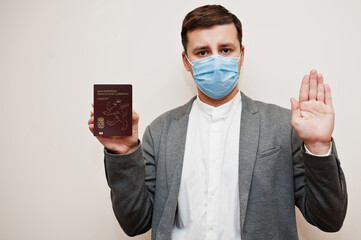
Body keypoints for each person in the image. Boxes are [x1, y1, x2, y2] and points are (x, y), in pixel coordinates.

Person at [88, 5, 347, 240]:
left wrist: (318, 147)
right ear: (186, 61)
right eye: (202, 52)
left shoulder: (282, 125)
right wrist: (123, 153)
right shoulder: (160, 131)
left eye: (225, 50)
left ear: (241, 54)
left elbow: (329, 219)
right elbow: (135, 223)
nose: (215, 60)